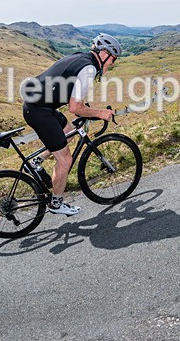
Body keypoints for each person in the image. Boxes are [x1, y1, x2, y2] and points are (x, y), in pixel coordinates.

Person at [21, 33, 120, 215]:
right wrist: (101, 113)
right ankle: (56, 204)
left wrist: (85, 107)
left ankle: (36, 162)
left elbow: (67, 87)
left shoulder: (82, 57)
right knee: (65, 160)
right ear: (104, 54)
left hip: (41, 106)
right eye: (113, 59)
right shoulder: (89, 69)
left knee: (71, 132)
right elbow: (75, 107)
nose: (113, 64)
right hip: (39, 111)